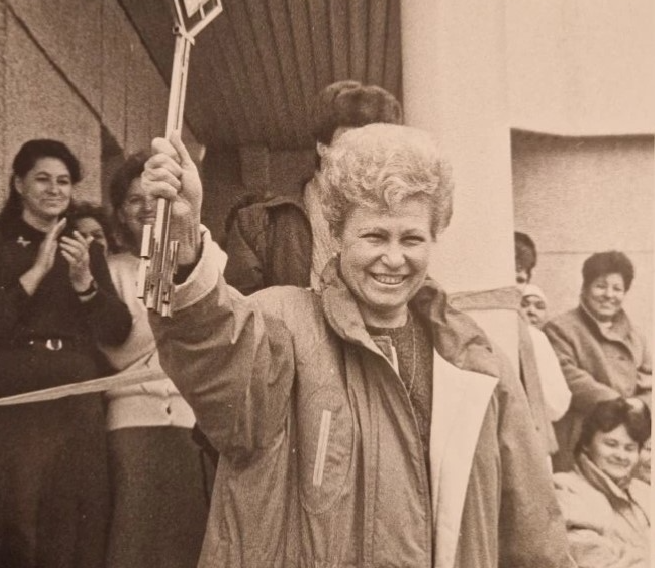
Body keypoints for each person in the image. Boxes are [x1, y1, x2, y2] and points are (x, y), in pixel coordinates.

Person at [142, 125, 573, 568]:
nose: (394, 258)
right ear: (338, 233)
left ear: (434, 237)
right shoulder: (282, 324)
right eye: (374, 236)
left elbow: (533, 529)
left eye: (411, 238)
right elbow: (214, 348)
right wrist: (185, 243)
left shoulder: (475, 362)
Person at [0, 138, 131, 568]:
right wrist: (38, 269)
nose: (55, 189)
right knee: (9, 519)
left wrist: (84, 283)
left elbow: (118, 330)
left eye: (64, 181)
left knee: (71, 524)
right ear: (19, 183)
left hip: (73, 404)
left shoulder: (85, 250)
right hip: (10, 401)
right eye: (43, 179)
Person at [101, 152, 222, 568]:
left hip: (189, 423)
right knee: (133, 540)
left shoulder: (188, 265)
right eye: (134, 200)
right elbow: (124, 345)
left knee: (186, 541)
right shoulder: (110, 270)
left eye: (154, 197)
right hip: (131, 422)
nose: (146, 208)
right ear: (120, 212)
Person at [224, 79, 403, 294]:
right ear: (322, 147)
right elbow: (240, 310)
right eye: (351, 140)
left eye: (376, 144)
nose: (365, 154)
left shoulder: (399, 222)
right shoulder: (255, 223)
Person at [544, 251, 652, 472]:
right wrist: (618, 402)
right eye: (600, 286)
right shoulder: (560, 329)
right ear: (585, 287)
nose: (609, 295)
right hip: (579, 436)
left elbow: (648, 380)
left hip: (626, 439)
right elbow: (567, 375)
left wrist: (641, 407)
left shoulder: (636, 336)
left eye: (617, 288)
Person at [553, 398, 651, 568]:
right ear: (586, 444)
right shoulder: (566, 489)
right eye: (611, 444)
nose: (621, 455)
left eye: (630, 448)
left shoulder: (643, 491)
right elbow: (594, 561)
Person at [520, 283, 571, 448]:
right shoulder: (535, 338)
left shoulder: (544, 341)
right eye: (524, 304)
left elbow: (558, 399)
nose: (531, 311)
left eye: (539, 306)